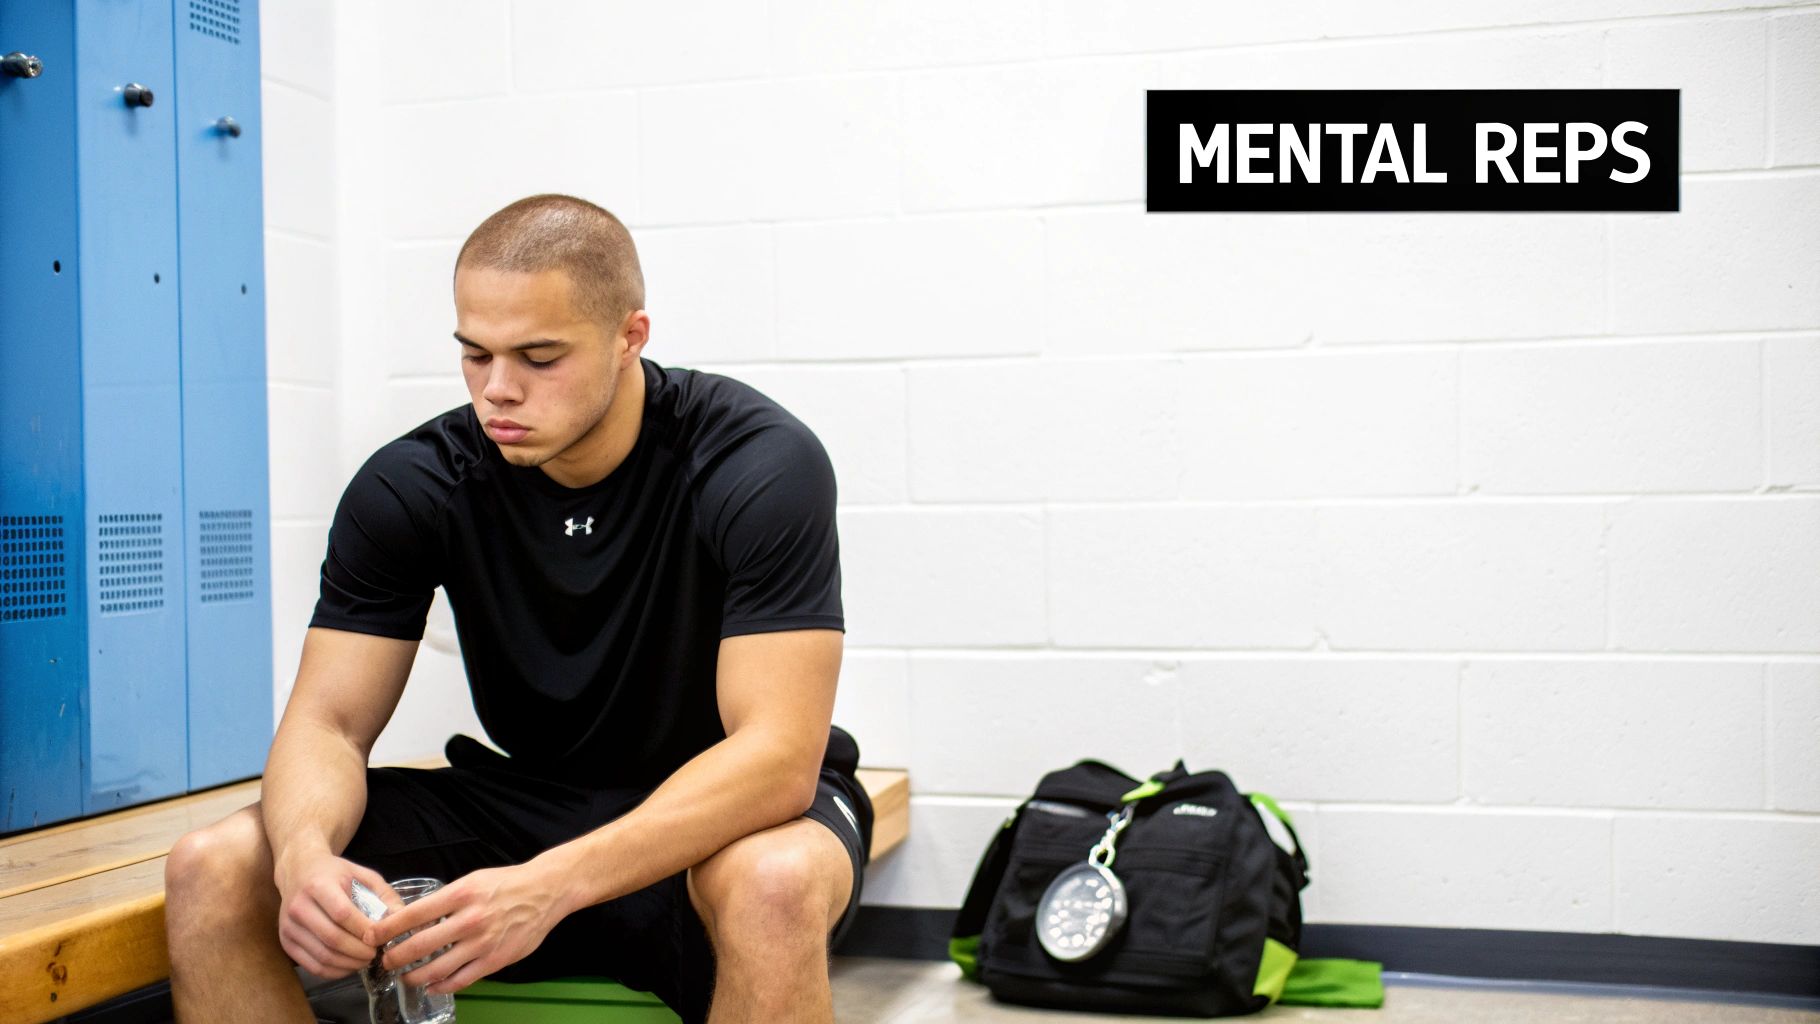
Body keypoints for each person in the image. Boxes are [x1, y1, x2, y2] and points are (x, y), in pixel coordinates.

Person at [163, 193, 870, 1024]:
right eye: (475, 354)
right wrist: (303, 858)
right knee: (212, 866)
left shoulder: (753, 462)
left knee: (775, 883)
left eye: (539, 357)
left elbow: (777, 757)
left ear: (630, 337)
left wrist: (549, 886)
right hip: (526, 800)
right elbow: (328, 724)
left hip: (721, 816)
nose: (498, 390)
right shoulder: (414, 485)